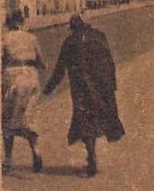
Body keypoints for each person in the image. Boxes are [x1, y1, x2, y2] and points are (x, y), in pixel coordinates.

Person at [41, 14, 125, 177]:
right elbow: (109, 60)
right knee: (103, 117)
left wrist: (48, 89)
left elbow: (60, 69)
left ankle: (91, 153)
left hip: (81, 88)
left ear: (72, 28)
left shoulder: (69, 42)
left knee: (84, 121)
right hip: (101, 86)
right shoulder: (99, 36)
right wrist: (112, 83)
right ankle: (92, 155)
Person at [2, 10, 45, 173]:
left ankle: (7, 160)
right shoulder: (32, 38)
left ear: (9, 23)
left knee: (7, 118)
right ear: (23, 22)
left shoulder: (4, 38)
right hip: (30, 76)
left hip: (11, 77)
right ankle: (36, 150)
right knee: (28, 116)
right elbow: (41, 62)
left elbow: (0, 59)